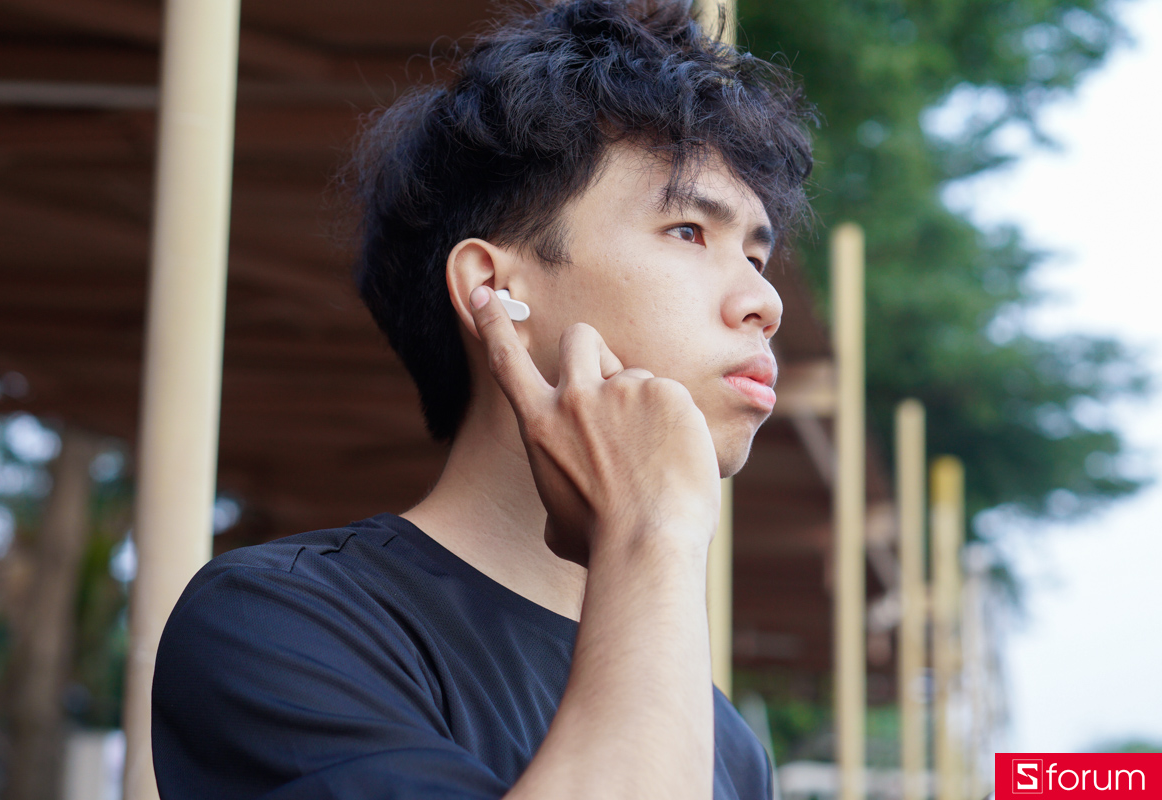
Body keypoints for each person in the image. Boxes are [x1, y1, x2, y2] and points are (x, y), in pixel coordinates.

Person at [151, 1, 813, 798]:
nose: (764, 302)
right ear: (494, 290)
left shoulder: (727, 747)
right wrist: (652, 532)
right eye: (688, 231)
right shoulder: (280, 622)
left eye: (757, 256)